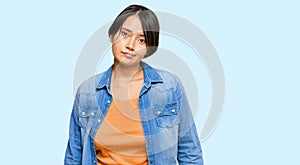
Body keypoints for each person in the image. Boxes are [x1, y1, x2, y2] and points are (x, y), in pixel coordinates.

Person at [64, 4, 203, 165]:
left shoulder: (169, 87)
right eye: (125, 34)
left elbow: (190, 152)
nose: (131, 45)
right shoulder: (87, 92)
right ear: (112, 35)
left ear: (148, 48)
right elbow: (74, 156)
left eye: (141, 40)